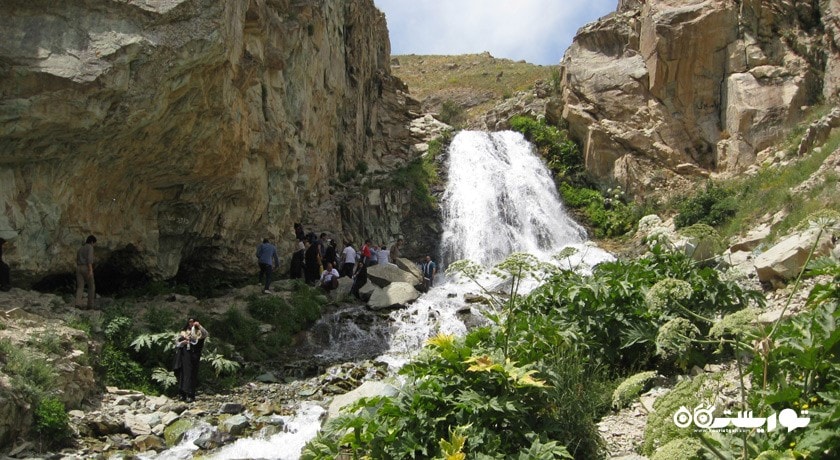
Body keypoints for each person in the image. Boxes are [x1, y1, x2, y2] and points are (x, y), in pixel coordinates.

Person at [173, 318, 209, 402]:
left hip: (194, 355)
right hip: (184, 355)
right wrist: (183, 342)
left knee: (191, 374)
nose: (191, 323)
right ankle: (182, 394)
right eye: (190, 321)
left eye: (193, 321)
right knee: (183, 373)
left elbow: (206, 334)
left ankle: (190, 394)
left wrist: (199, 326)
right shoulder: (183, 332)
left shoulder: (199, 332)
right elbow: (176, 343)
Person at [75, 235, 97, 309]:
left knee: (80, 286)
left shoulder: (80, 248)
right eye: (94, 243)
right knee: (91, 286)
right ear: (91, 242)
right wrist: (90, 270)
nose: (94, 245)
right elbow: (89, 259)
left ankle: (78, 303)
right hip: (86, 267)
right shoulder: (90, 247)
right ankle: (90, 305)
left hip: (78, 267)